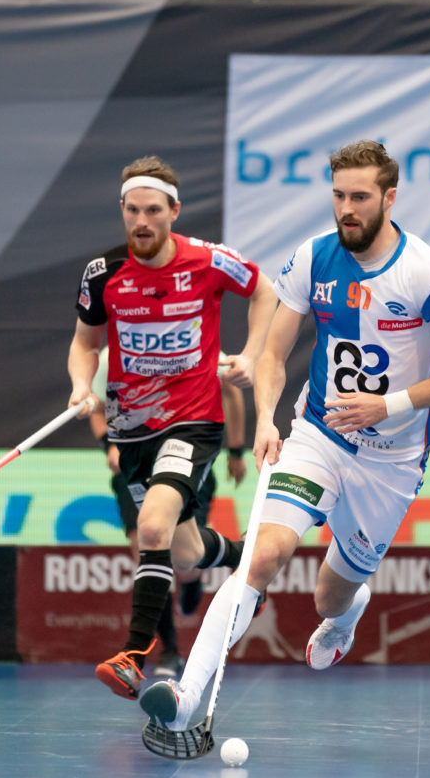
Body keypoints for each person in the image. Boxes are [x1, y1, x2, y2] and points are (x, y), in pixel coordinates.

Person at [140, 139, 430, 731]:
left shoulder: (429, 273)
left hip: (393, 458)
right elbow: (274, 352)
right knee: (264, 551)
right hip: (319, 434)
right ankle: (184, 698)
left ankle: (346, 617)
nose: (347, 209)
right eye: (338, 196)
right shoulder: (312, 258)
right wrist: (268, 417)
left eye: (360, 197)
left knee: (329, 596)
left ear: (389, 198)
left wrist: (389, 404)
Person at [67, 155, 276, 701]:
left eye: (153, 210)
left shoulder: (207, 261)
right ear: (122, 210)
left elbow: (265, 291)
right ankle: (246, 559)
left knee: (152, 530)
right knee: (181, 552)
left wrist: (252, 355)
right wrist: (81, 384)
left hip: (192, 419)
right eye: (132, 210)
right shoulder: (103, 273)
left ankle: (135, 656)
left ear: (174, 211)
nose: (142, 220)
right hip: (130, 431)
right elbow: (85, 344)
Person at [89, 348, 248, 678]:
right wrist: (110, 445)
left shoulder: (187, 333)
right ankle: (166, 652)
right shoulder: (112, 354)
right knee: (145, 550)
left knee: (183, 559)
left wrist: (235, 449)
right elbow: (96, 407)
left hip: (183, 453)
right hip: (134, 462)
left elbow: (231, 390)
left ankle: (225, 561)